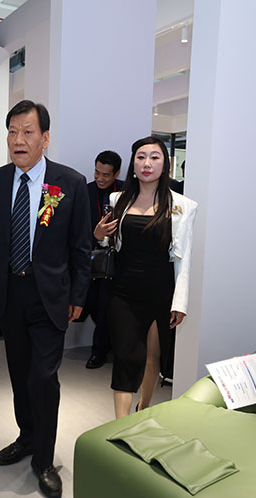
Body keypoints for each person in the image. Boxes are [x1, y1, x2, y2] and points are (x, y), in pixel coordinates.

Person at [0, 100, 91, 498]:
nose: (18, 140)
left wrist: (79, 295)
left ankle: (44, 460)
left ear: (45, 138)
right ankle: (26, 436)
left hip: (50, 296)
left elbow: (81, 246)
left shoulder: (69, 183)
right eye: (12, 132)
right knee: (19, 374)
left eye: (28, 132)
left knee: (43, 378)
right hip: (8, 294)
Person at [93, 136, 197, 419]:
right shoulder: (118, 199)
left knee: (153, 357)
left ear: (165, 165)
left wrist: (180, 303)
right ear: (133, 164)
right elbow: (110, 243)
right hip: (123, 291)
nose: (147, 163)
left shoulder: (182, 205)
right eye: (141, 157)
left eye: (154, 157)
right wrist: (99, 235)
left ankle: (144, 408)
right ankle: (121, 424)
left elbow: (184, 258)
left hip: (160, 291)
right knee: (126, 356)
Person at [83, 150, 124, 369]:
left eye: (106, 175)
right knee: (90, 303)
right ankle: (106, 343)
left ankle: (98, 351)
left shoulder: (125, 192)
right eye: (97, 172)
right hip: (89, 257)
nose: (100, 178)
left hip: (115, 260)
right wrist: (95, 236)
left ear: (116, 173)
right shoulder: (85, 191)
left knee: (105, 304)